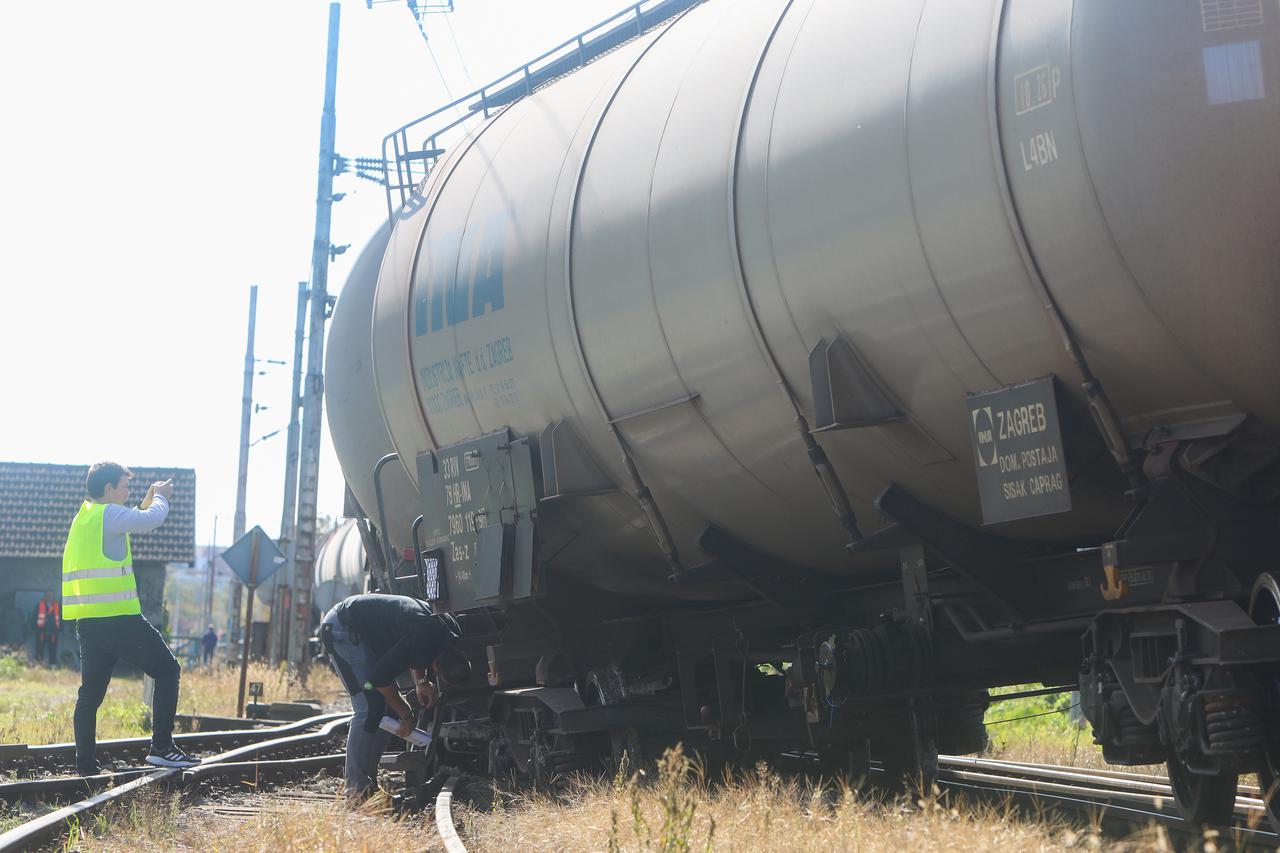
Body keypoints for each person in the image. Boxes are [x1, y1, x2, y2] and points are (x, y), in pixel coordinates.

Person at [62, 462, 199, 775]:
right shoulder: (110, 514)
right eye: (124, 485)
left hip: (90, 623)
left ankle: (85, 766)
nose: (128, 491)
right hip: (120, 620)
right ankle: (162, 749)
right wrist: (161, 497)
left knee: (90, 695)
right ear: (109, 489)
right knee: (167, 670)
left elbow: (130, 519)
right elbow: (152, 519)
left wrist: (145, 501)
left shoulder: (85, 518)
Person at [319, 593, 471, 799]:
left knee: (384, 711)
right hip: (343, 628)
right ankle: (356, 792)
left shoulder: (450, 633)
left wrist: (421, 682)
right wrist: (405, 713)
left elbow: (419, 651)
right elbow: (379, 678)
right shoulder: (425, 636)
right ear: (436, 667)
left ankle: (367, 787)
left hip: (360, 630)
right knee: (368, 708)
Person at [32, 591, 62, 666]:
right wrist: (35, 629)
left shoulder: (58, 606)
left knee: (53, 650)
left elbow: (61, 619)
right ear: (45, 596)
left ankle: (53, 666)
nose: (49, 596)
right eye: (48, 595)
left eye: (51, 595)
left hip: (53, 633)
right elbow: (34, 618)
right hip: (41, 632)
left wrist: (60, 629)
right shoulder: (39, 605)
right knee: (39, 649)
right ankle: (38, 666)